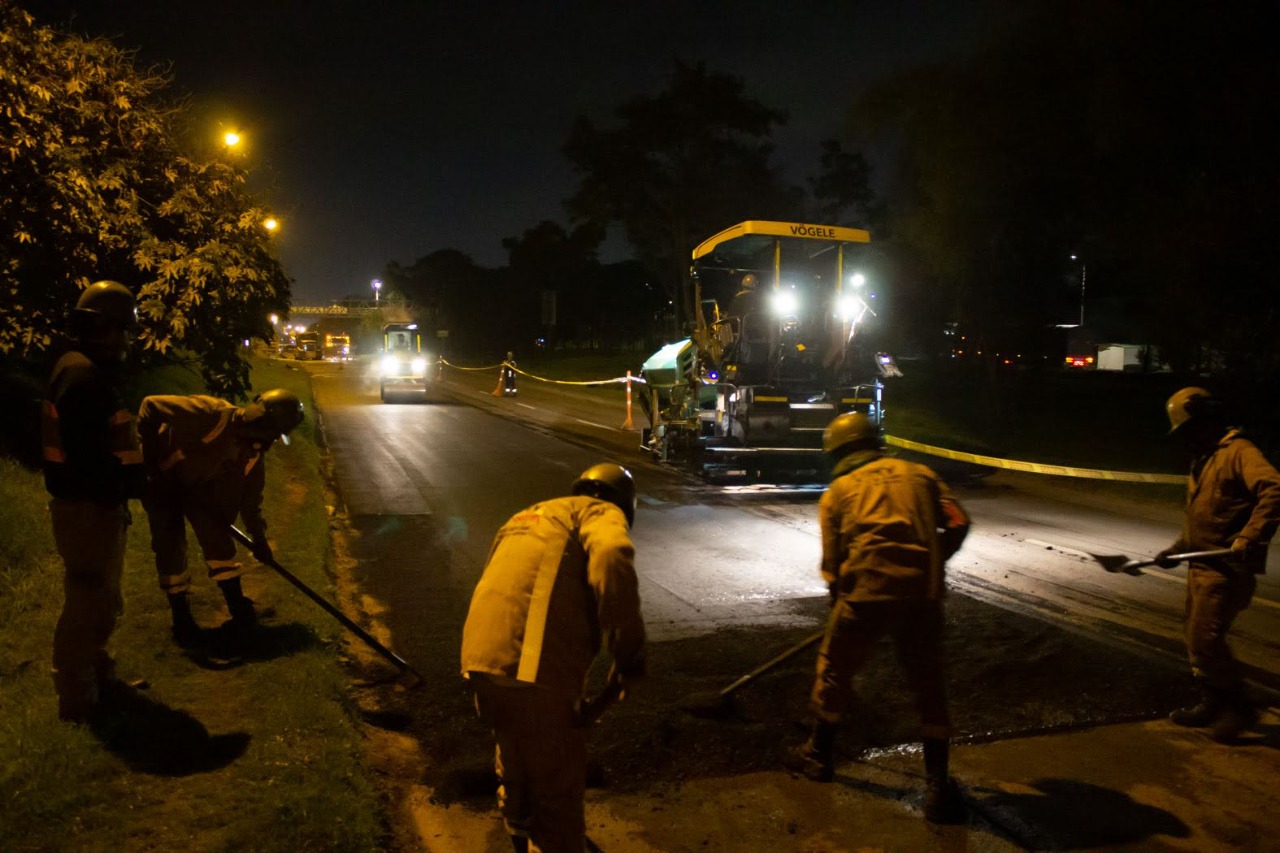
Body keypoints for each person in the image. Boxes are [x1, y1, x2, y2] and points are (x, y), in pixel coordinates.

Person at [788, 412, 970, 823]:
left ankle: (818, 755)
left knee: (835, 669)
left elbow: (833, 565)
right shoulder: (921, 475)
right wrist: (933, 562)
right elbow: (958, 522)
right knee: (928, 683)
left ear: (837, 452)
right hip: (922, 598)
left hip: (864, 594)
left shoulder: (837, 492)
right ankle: (938, 786)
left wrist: (842, 602)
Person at [461, 463, 647, 853]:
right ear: (623, 505)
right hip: (533, 670)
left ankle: (519, 832)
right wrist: (628, 654)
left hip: (481, 661)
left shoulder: (530, 515)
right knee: (558, 793)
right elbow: (612, 556)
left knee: (515, 758)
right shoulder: (598, 511)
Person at [41, 281, 147, 723]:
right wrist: (129, 483)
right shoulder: (82, 378)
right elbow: (89, 459)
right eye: (118, 330)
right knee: (88, 599)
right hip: (87, 509)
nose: (123, 341)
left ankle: (96, 671)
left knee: (101, 598)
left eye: (126, 331)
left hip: (97, 505)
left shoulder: (84, 370)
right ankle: (77, 696)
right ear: (95, 327)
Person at [1155, 387, 1280, 743]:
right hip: (1201, 564)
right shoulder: (1205, 458)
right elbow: (1201, 517)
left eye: (1189, 428)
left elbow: (1274, 490)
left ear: (1205, 420)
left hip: (1227, 568)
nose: (1186, 437)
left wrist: (1250, 537)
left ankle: (1239, 708)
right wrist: (1175, 549)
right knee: (1194, 640)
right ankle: (1212, 701)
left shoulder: (1239, 451)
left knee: (1206, 639)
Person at [136, 389, 304, 646]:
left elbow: (251, 503)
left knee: (219, 543)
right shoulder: (211, 413)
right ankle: (182, 621)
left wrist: (259, 540)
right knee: (170, 547)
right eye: (271, 434)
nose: (270, 442)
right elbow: (150, 404)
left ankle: (239, 612)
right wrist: (148, 466)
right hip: (161, 483)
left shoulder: (252, 453)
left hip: (197, 491)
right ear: (259, 423)